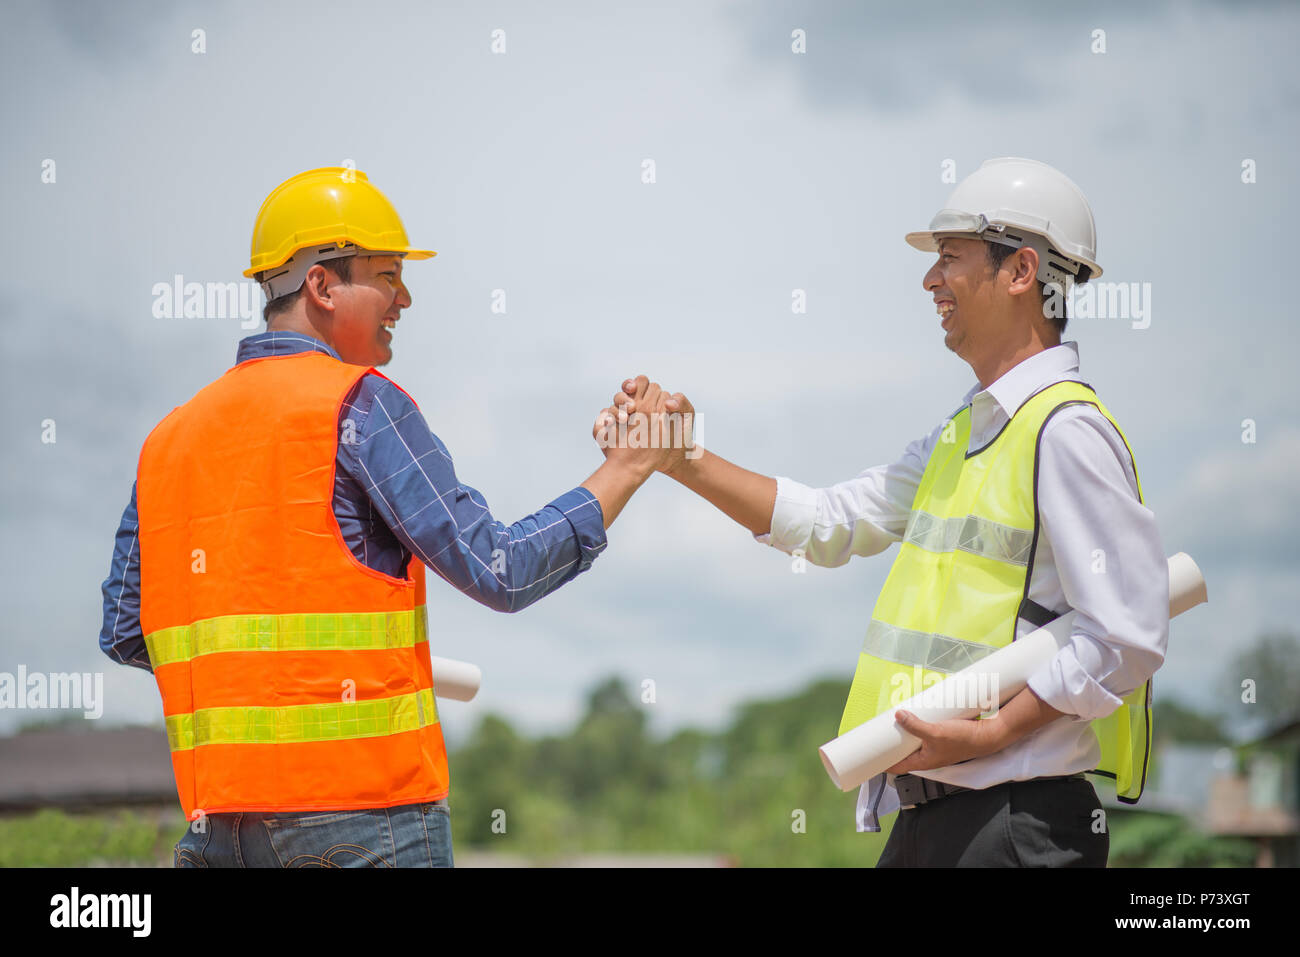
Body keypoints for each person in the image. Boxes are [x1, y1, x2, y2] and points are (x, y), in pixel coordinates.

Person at [99, 166, 674, 868]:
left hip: (217, 833)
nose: (405, 298)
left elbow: (130, 630)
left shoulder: (167, 440)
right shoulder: (362, 405)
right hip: (365, 825)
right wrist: (627, 467)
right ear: (321, 285)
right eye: (389, 275)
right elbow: (502, 568)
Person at [607, 158, 1170, 867]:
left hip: (1014, 821)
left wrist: (994, 733)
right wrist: (681, 458)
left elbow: (1128, 634)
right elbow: (825, 523)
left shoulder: (1066, 431)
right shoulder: (961, 435)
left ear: (1021, 271)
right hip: (936, 819)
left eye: (950, 259)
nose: (931, 281)